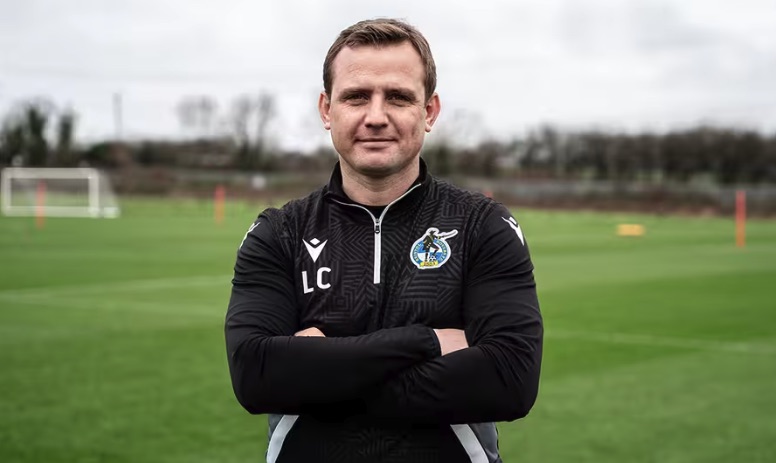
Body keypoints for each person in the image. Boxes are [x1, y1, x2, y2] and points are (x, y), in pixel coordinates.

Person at [225, 18, 543, 463]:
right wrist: (428, 343)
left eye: (398, 97)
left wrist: (322, 371)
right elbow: (256, 376)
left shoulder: (482, 226)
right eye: (356, 96)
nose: (376, 117)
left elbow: (511, 379)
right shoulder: (279, 233)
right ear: (326, 109)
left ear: (428, 112)